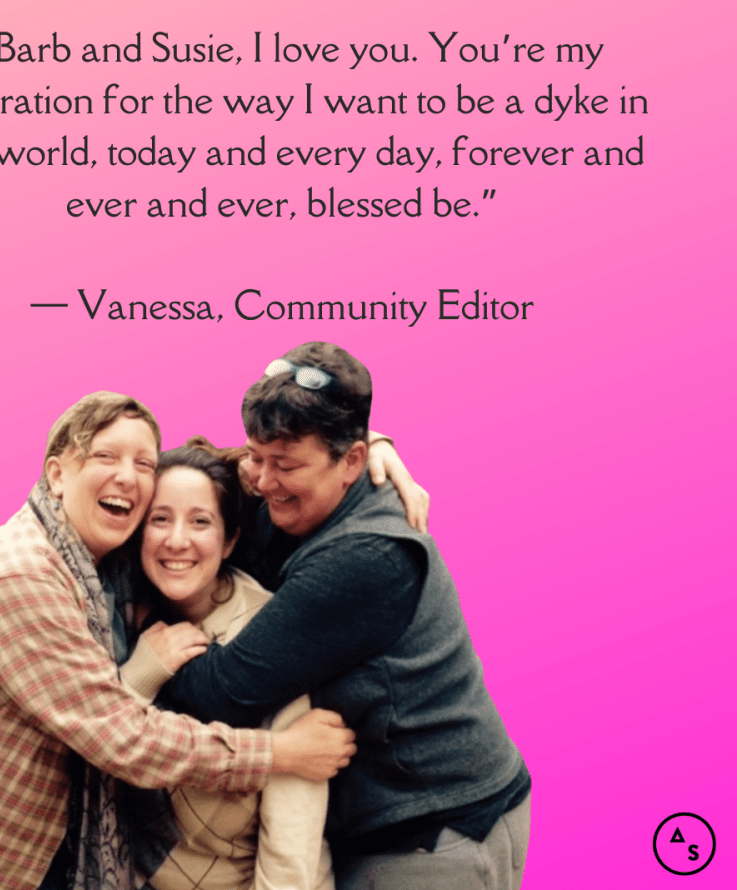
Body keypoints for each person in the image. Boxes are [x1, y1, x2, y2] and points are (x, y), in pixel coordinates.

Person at [0, 392, 355, 890]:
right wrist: (279, 753)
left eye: (144, 464)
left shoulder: (108, 575)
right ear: (56, 475)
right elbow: (124, 738)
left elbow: (231, 474)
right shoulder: (19, 578)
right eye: (105, 455)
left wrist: (362, 449)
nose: (127, 476)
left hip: (6, 862)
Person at [162, 344, 532, 890]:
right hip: (410, 820)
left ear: (352, 462)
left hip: (434, 836)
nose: (262, 483)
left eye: (284, 466)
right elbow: (188, 483)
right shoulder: (306, 495)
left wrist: (142, 656)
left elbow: (225, 692)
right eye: (255, 457)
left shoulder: (366, 558)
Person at [118, 445, 335, 890]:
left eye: (200, 521)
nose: (177, 540)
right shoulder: (120, 612)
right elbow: (95, 740)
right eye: (160, 519)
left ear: (230, 539)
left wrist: (376, 446)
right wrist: (141, 673)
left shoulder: (266, 635)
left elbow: (291, 843)